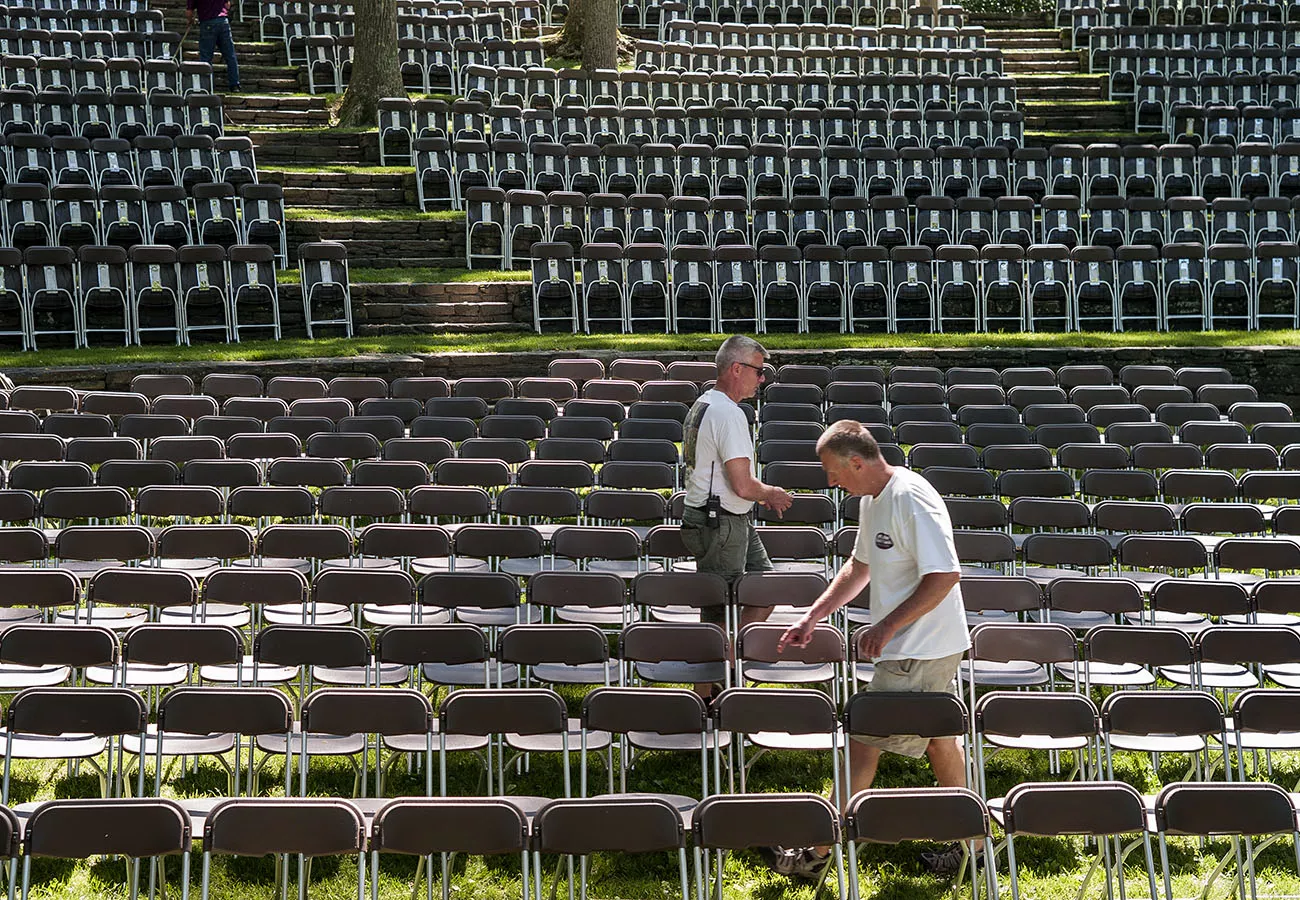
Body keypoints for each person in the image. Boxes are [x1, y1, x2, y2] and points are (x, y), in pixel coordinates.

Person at [773, 419, 971, 879]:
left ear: (857, 462)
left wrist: (884, 627)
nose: (830, 482)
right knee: (941, 740)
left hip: (920, 647)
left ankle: (815, 855)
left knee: (863, 744)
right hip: (912, 645)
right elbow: (860, 566)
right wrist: (813, 615)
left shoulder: (911, 499)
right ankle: (974, 847)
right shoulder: (872, 501)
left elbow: (945, 576)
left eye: (833, 472)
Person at [679, 335, 793, 699]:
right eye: (759, 372)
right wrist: (772, 493)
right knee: (717, 612)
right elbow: (743, 485)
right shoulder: (729, 413)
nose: (762, 379)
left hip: (723, 518)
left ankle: (725, 668)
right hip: (723, 522)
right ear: (737, 369)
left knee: (765, 589)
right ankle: (707, 695)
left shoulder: (703, 403)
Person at [187, 0, 241, 94]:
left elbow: (189, 11)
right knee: (230, 55)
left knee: (206, 57)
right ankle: (235, 84)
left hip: (207, 22)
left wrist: (191, 20)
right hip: (223, 22)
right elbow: (227, 5)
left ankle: (207, 85)